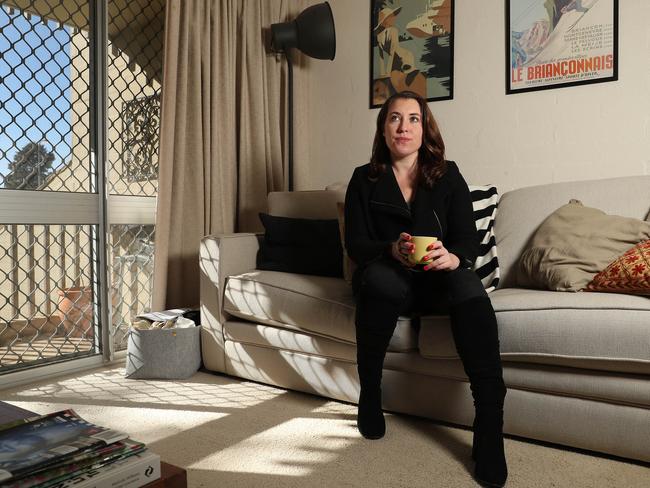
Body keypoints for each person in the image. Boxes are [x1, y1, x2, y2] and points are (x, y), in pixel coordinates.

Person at [344, 91, 508, 487]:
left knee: (468, 285)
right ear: (383, 130)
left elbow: (466, 239)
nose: (404, 127)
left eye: (413, 119)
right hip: (389, 277)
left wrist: (453, 258)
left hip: (437, 280)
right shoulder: (363, 179)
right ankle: (370, 394)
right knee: (381, 278)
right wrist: (390, 249)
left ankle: (489, 422)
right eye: (395, 119)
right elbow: (355, 244)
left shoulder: (447, 173)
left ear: (425, 128)